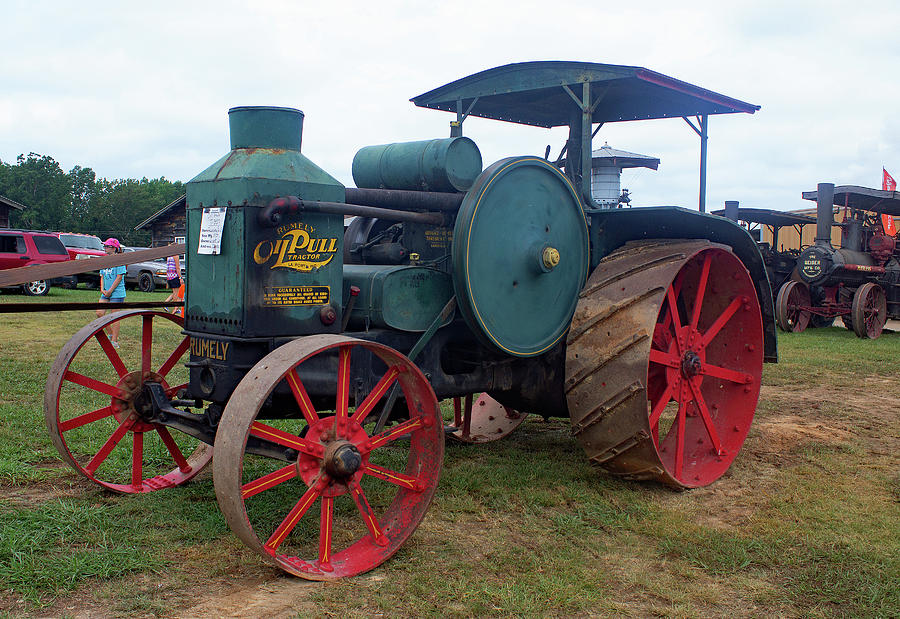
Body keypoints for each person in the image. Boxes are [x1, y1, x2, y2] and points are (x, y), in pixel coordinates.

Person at [97, 238, 126, 348]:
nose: (104, 248)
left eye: (106, 246)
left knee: (114, 317)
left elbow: (119, 277)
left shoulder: (119, 260)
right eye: (104, 246)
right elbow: (102, 276)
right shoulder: (104, 260)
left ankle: (114, 341)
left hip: (117, 292)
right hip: (106, 292)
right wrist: (102, 289)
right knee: (99, 313)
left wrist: (110, 291)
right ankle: (110, 334)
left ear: (114, 248)